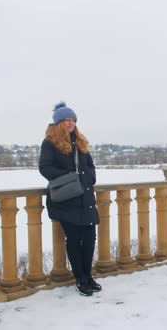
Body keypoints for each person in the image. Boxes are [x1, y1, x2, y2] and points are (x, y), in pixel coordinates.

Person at [39, 102, 102, 296]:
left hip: (85, 198)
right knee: (74, 240)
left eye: (73, 120)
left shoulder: (81, 142)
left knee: (90, 239)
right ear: (59, 123)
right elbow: (45, 168)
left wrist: (89, 177)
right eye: (67, 120)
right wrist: (70, 176)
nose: (71, 123)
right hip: (67, 200)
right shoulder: (50, 143)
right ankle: (80, 278)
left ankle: (88, 276)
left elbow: (90, 166)